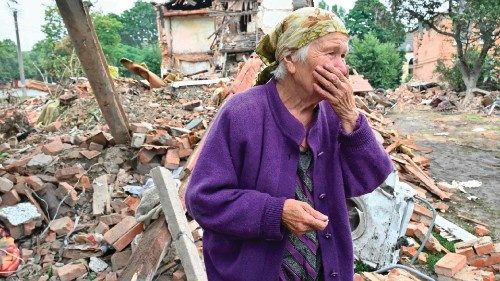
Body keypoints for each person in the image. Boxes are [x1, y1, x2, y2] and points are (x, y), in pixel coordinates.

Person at [185, 7, 393, 281]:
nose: (342, 68)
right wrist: (276, 212)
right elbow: (202, 201)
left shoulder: (334, 115)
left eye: (343, 56)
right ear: (291, 59)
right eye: (331, 53)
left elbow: (370, 178)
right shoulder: (242, 113)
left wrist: (351, 118)